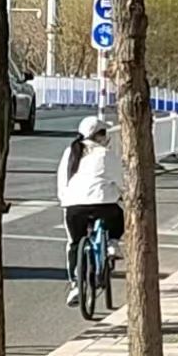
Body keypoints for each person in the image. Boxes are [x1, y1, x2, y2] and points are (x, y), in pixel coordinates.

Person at [56, 115, 124, 306]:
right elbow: (121, 181)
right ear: (100, 135)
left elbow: (62, 182)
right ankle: (112, 243)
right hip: (104, 205)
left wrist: (66, 200)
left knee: (74, 243)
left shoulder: (70, 152)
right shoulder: (106, 154)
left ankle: (76, 285)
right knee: (118, 215)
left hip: (73, 207)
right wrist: (123, 194)